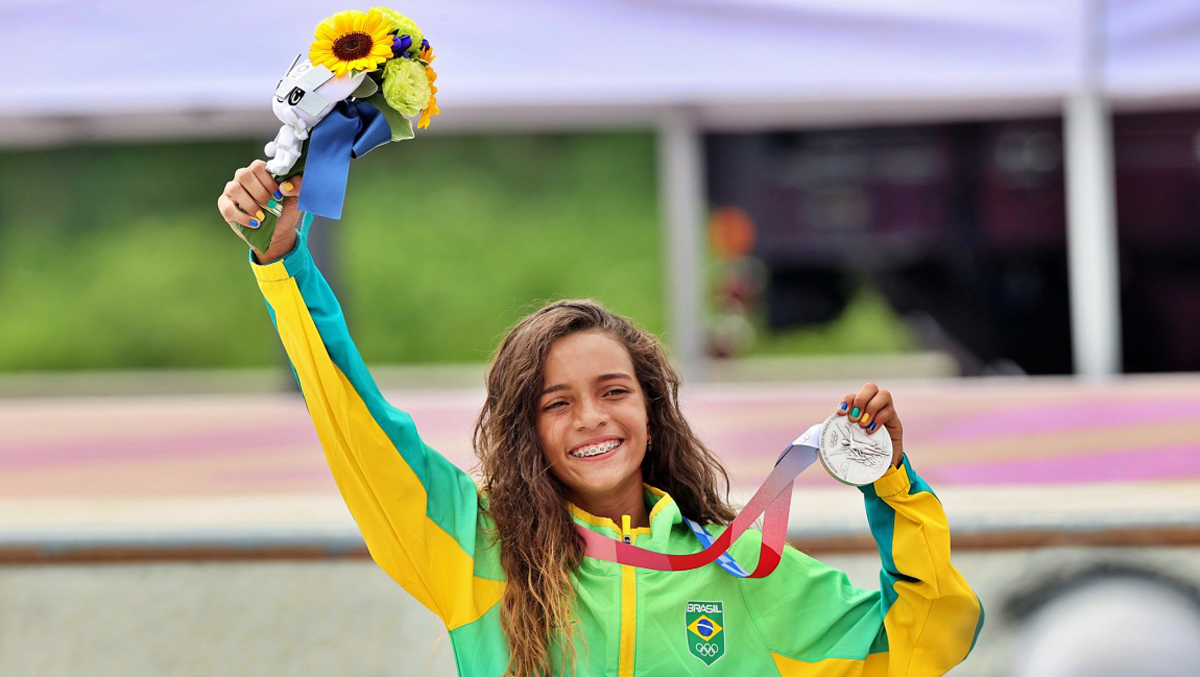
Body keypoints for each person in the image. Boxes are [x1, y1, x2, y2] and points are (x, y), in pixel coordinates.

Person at [217, 160, 984, 676]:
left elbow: (931, 638)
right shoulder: (474, 547)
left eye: (614, 390)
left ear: (652, 408)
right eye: (556, 402)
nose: (592, 418)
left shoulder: (741, 570)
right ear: (528, 433)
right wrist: (286, 263)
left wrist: (893, 489)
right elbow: (358, 421)